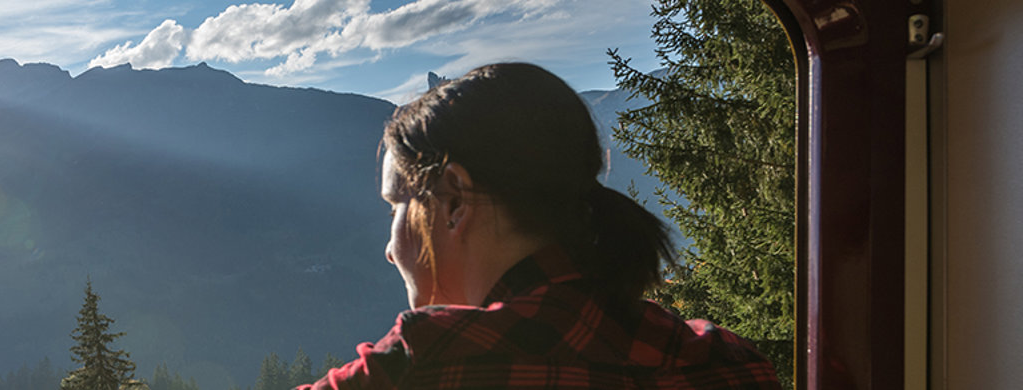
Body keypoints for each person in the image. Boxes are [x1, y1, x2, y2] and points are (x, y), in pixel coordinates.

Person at [301, 63, 783, 389]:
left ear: (452, 200)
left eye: (396, 208)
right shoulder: (730, 362)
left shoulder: (431, 358)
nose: (390, 248)